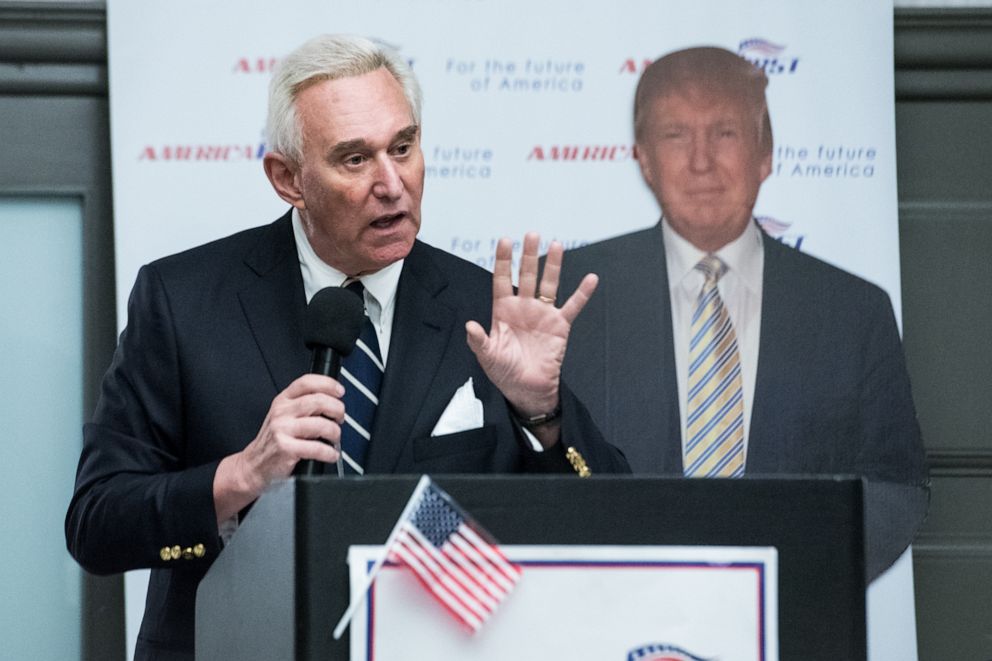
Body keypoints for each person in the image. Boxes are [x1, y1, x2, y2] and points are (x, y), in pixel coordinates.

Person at [65, 34, 628, 660]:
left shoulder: (486, 309)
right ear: (288, 179)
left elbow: (611, 523)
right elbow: (96, 525)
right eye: (354, 159)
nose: (392, 184)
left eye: (404, 148)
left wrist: (540, 414)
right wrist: (240, 476)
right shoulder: (183, 301)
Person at [556, 46, 927, 578]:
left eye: (725, 132)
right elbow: (530, 471)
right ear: (642, 157)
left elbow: (895, 490)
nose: (701, 160)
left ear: (766, 153)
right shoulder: (570, 298)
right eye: (675, 135)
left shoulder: (852, 310)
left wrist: (799, 588)